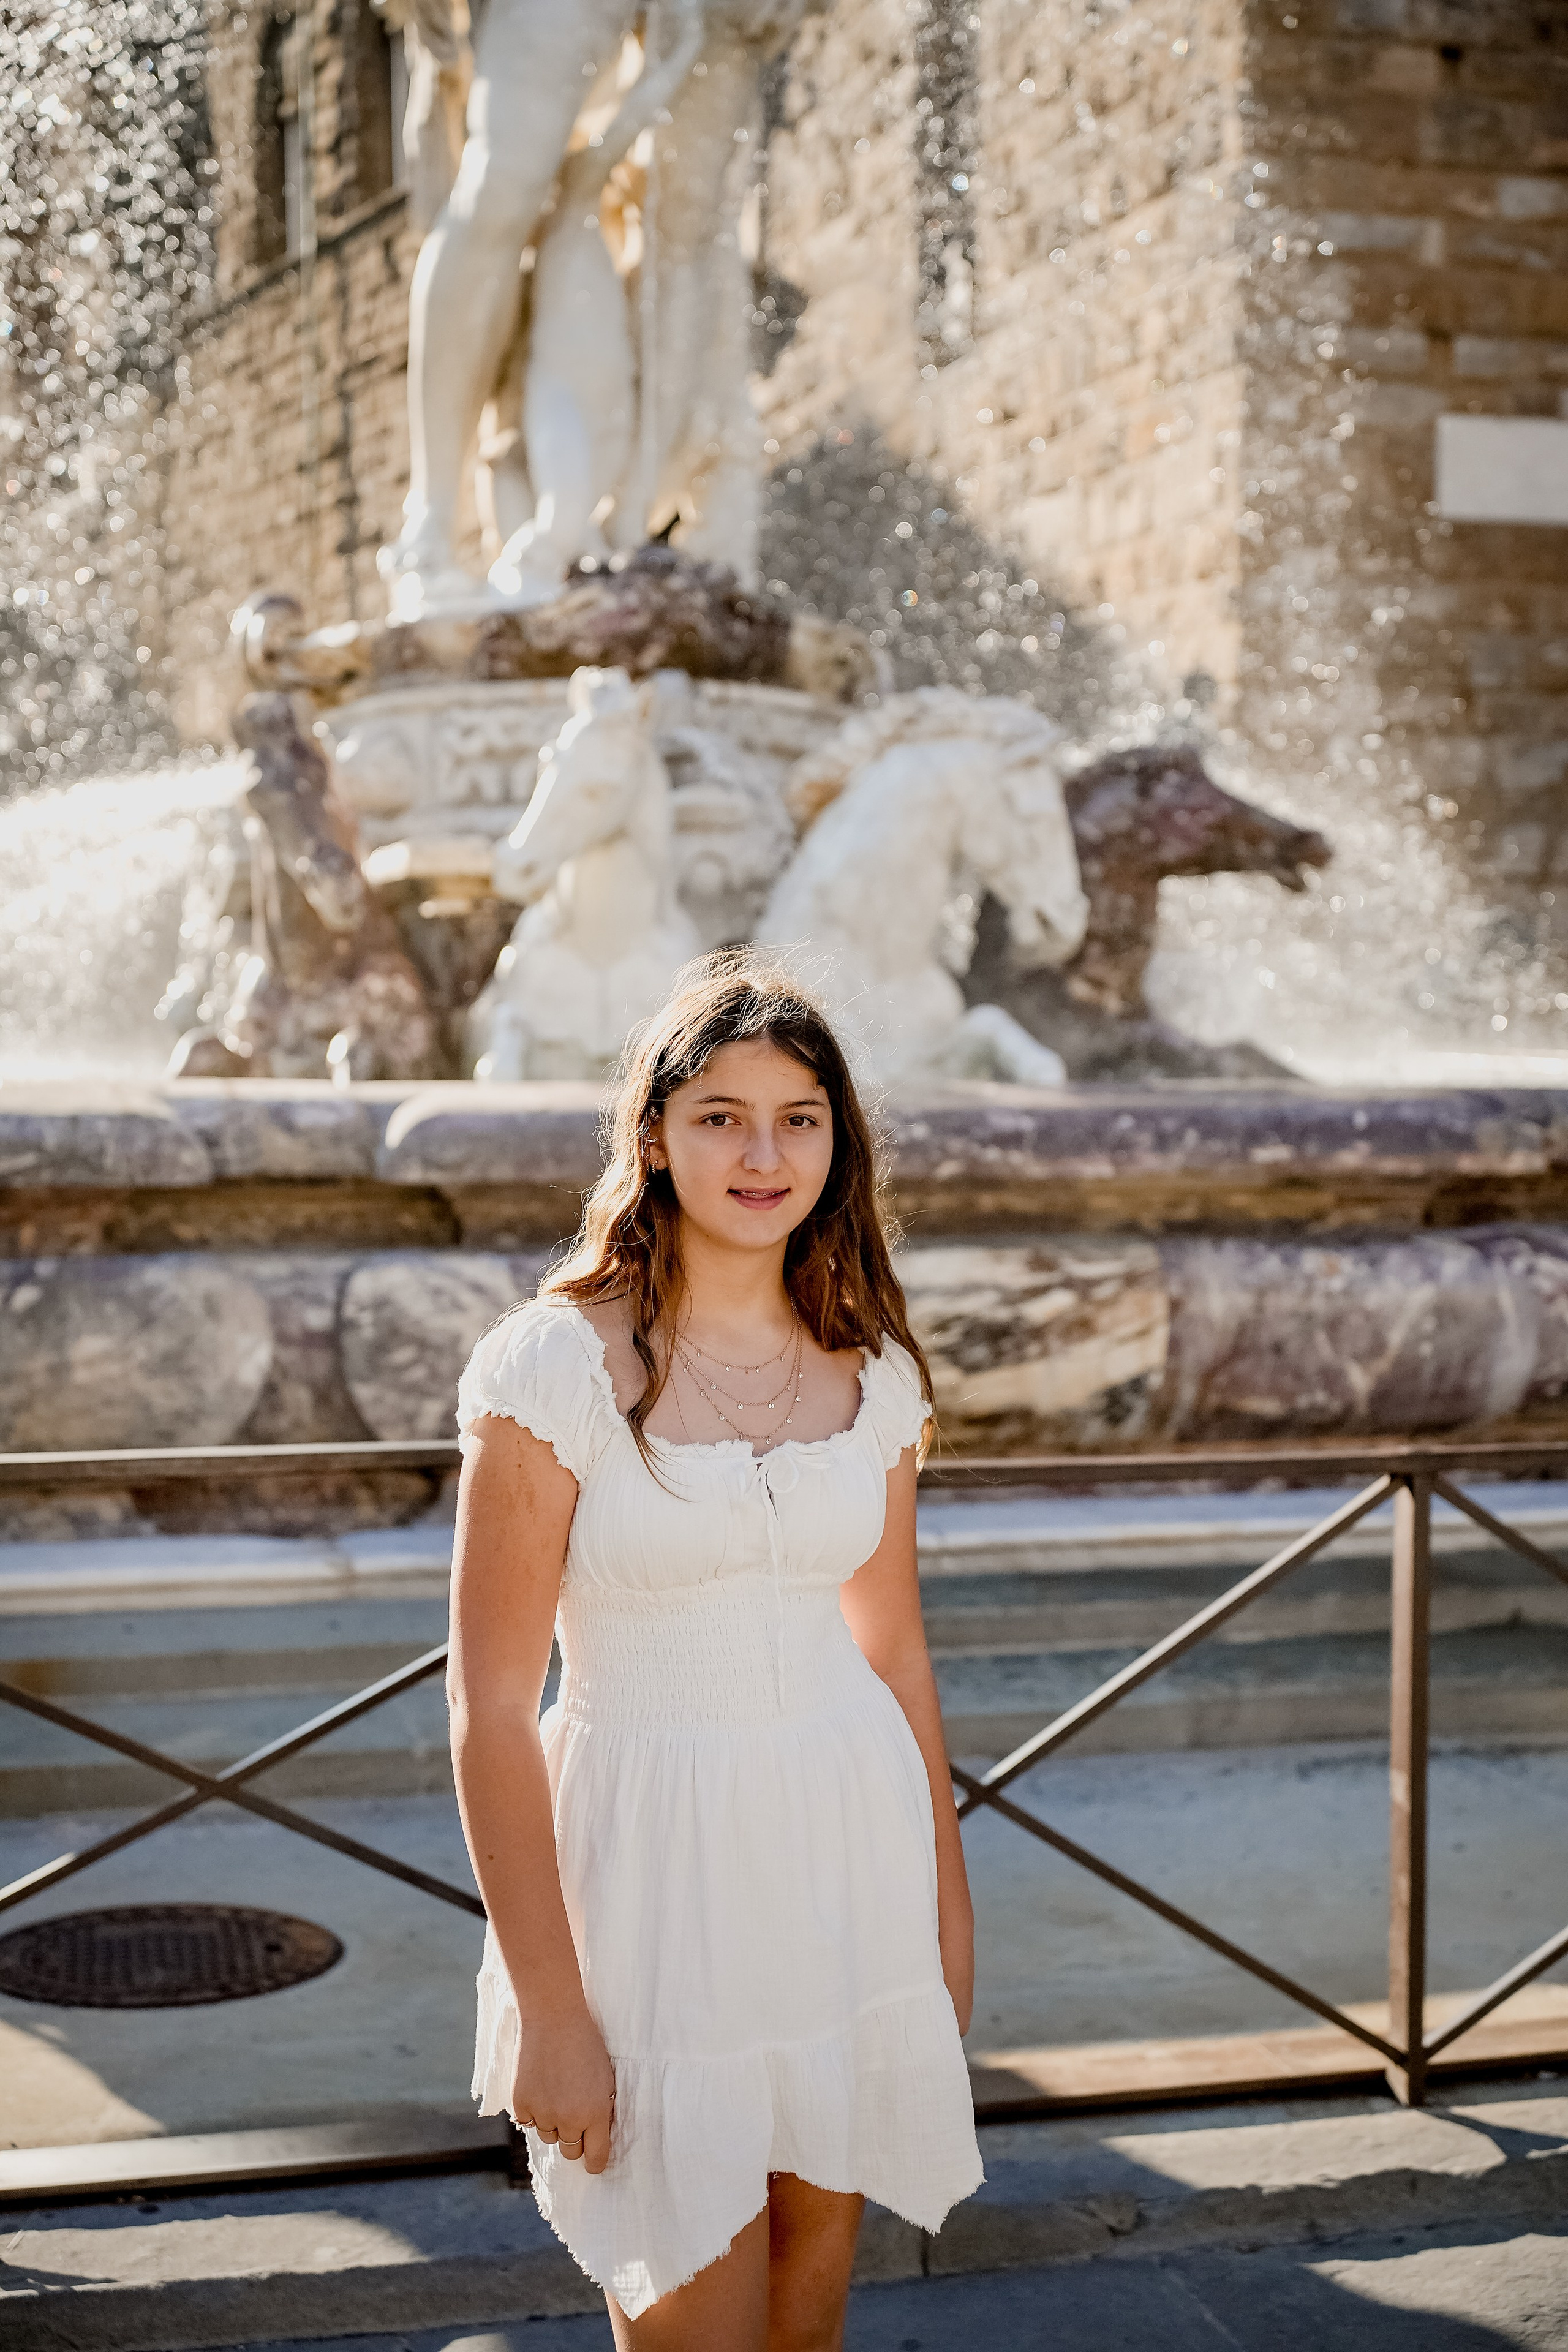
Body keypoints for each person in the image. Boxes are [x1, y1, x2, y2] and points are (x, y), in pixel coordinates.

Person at [447, 954, 982, 2348]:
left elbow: (897, 1659)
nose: (762, 1153)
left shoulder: (875, 1374)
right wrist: (552, 2011)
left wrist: (945, 1915)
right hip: (651, 1885)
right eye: (721, 1116)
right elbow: (491, 1708)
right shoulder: (553, 1367)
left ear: (837, 1142)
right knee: (694, 2318)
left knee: (807, 2325)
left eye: (798, 1117)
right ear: (654, 1137)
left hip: (842, 1872)